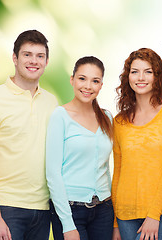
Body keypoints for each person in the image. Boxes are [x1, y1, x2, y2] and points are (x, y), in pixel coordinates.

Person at [0, 30, 58, 240]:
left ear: (46, 61)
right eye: (27, 54)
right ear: (15, 58)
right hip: (7, 209)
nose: (34, 61)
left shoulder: (51, 102)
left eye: (40, 56)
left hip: (43, 208)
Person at [112, 48, 162, 240]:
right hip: (125, 214)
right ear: (128, 76)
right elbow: (118, 171)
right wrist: (115, 223)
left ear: (157, 76)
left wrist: (154, 214)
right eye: (134, 71)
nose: (140, 77)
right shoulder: (119, 121)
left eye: (148, 71)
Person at [46, 56, 114, 240]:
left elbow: (105, 167)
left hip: (104, 209)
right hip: (70, 210)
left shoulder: (107, 117)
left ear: (101, 85)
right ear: (72, 79)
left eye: (95, 81)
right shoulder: (60, 116)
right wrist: (67, 224)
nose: (88, 86)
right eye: (82, 78)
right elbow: (53, 173)